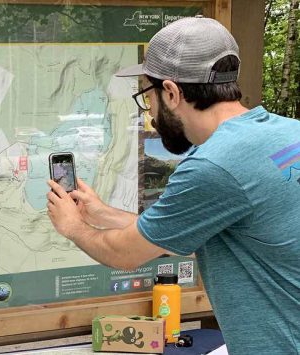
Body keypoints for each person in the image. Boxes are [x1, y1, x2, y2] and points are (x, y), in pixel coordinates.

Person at [46, 16, 300, 354]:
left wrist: (74, 226)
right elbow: (177, 231)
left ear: (171, 92)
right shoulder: (288, 132)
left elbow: (124, 254)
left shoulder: (215, 165)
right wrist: (102, 213)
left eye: (147, 95)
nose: (148, 109)